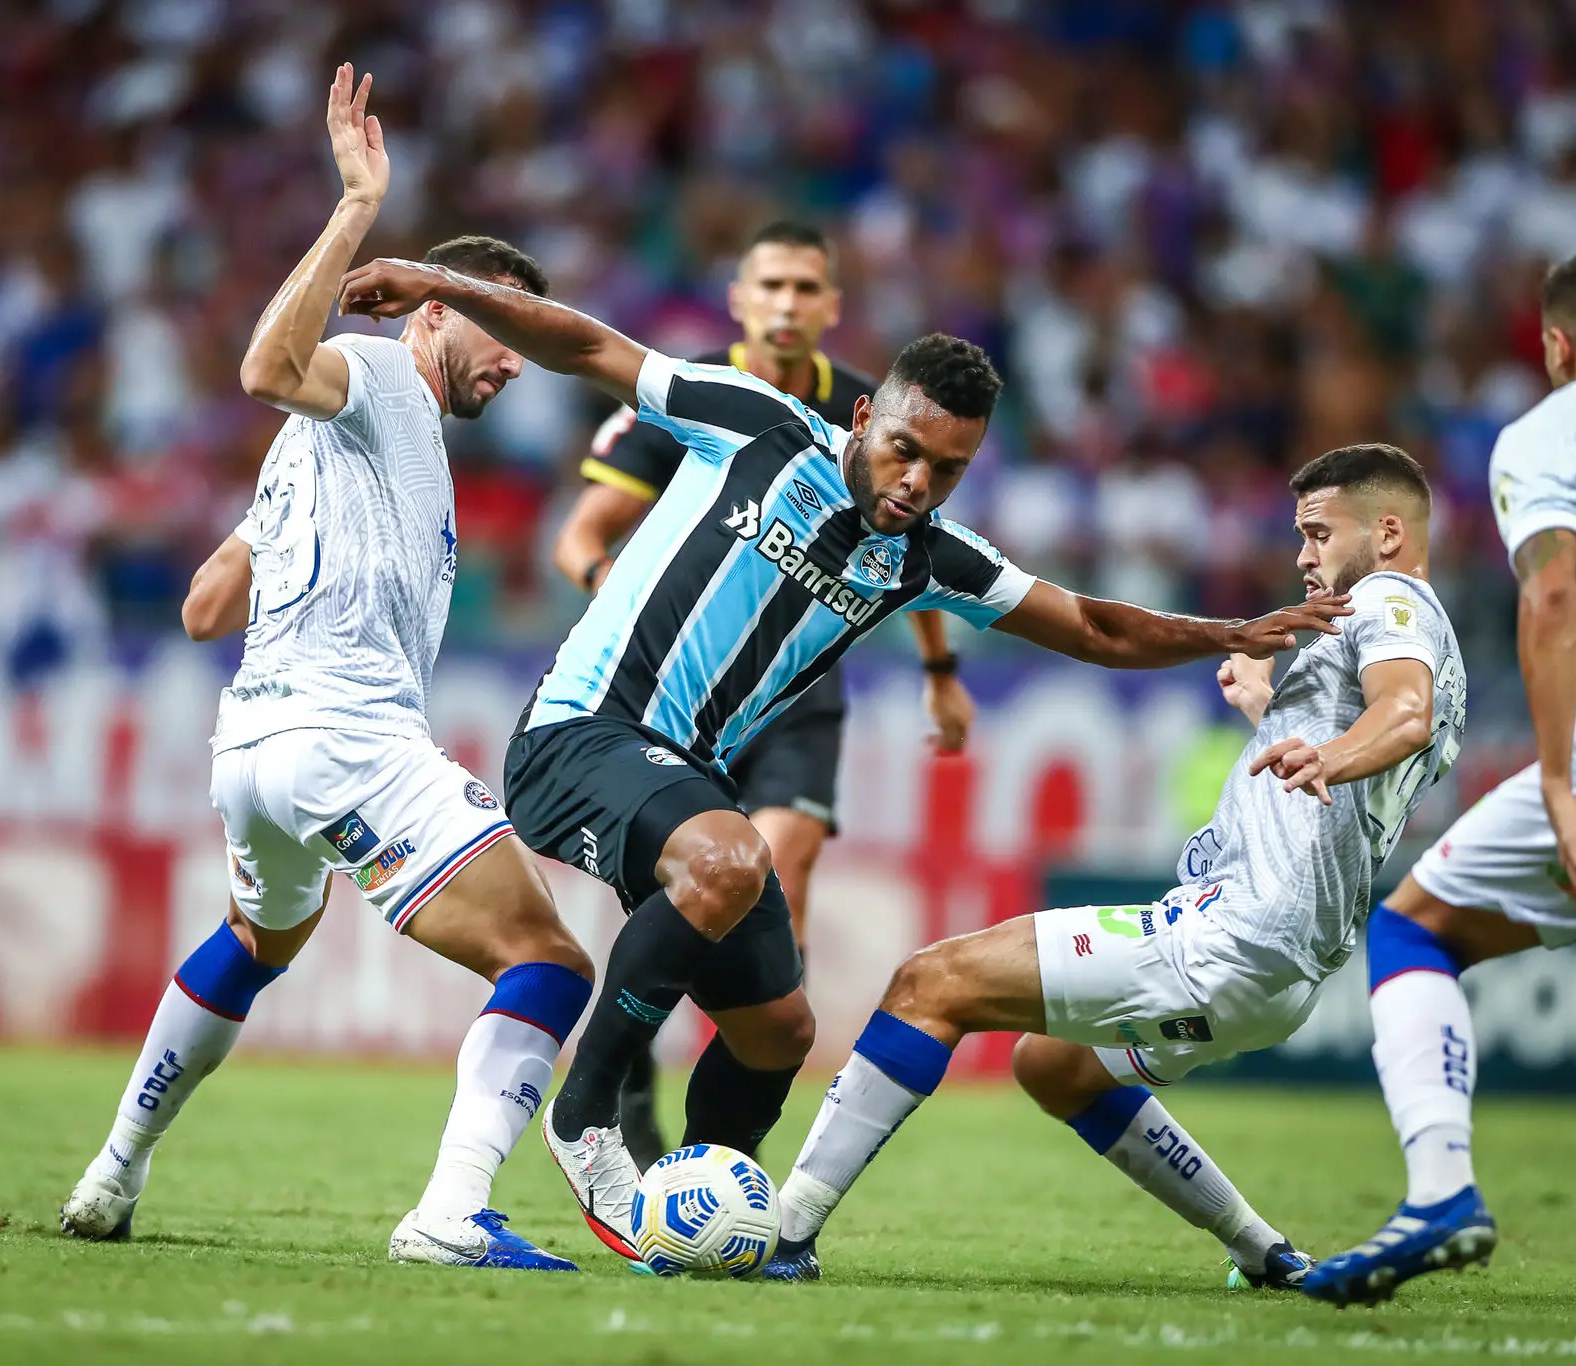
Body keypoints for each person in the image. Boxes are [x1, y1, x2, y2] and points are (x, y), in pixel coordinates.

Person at [338, 253, 1352, 1266]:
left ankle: (695, 1220)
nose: (916, 484)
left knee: (777, 1031)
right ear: (864, 418)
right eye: (905, 450)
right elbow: (588, 345)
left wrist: (1224, 632)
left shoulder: (929, 556)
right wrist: (443, 283)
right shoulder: (755, 425)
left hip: (685, 773)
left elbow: (1090, 623)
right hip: (578, 733)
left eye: (946, 470)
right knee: (730, 860)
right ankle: (586, 1111)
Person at [60, 66, 595, 1273]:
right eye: (499, 330)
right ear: (432, 313)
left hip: (250, 747)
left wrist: (284, 532)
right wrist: (356, 208)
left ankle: (113, 1170)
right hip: (345, 735)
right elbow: (267, 370)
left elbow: (204, 606)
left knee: (257, 939)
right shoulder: (378, 374)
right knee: (549, 958)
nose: (515, 362)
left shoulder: (332, 451)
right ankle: (451, 1212)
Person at [767, 443, 1466, 1291]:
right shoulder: (1427, 645)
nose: (1302, 557)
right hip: (1283, 974)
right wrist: (1272, 713)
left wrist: (1330, 756)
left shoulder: (1391, 600)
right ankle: (1264, 1253)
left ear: (1388, 533)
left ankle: (785, 1234)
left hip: (1232, 936)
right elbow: (1367, 751)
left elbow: (1403, 714)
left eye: (1319, 534)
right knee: (1053, 1066)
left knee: (930, 983)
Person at [1303, 244, 1576, 1306]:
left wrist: (1562, 785)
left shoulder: (1543, 433)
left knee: (1412, 930)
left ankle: (1440, 1191)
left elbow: (1550, 595)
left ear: (1555, 345)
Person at [550, 219, 973, 1168]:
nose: (788, 304)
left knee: (781, 870)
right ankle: (630, 1076)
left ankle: (726, 1122)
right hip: (671, 687)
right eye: (770, 285)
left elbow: (922, 559)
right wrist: (614, 594)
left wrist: (940, 673)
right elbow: (580, 535)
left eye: (805, 288)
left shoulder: (883, 414)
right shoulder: (693, 393)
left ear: (831, 305)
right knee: (694, 877)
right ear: (739, 300)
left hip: (793, 695)